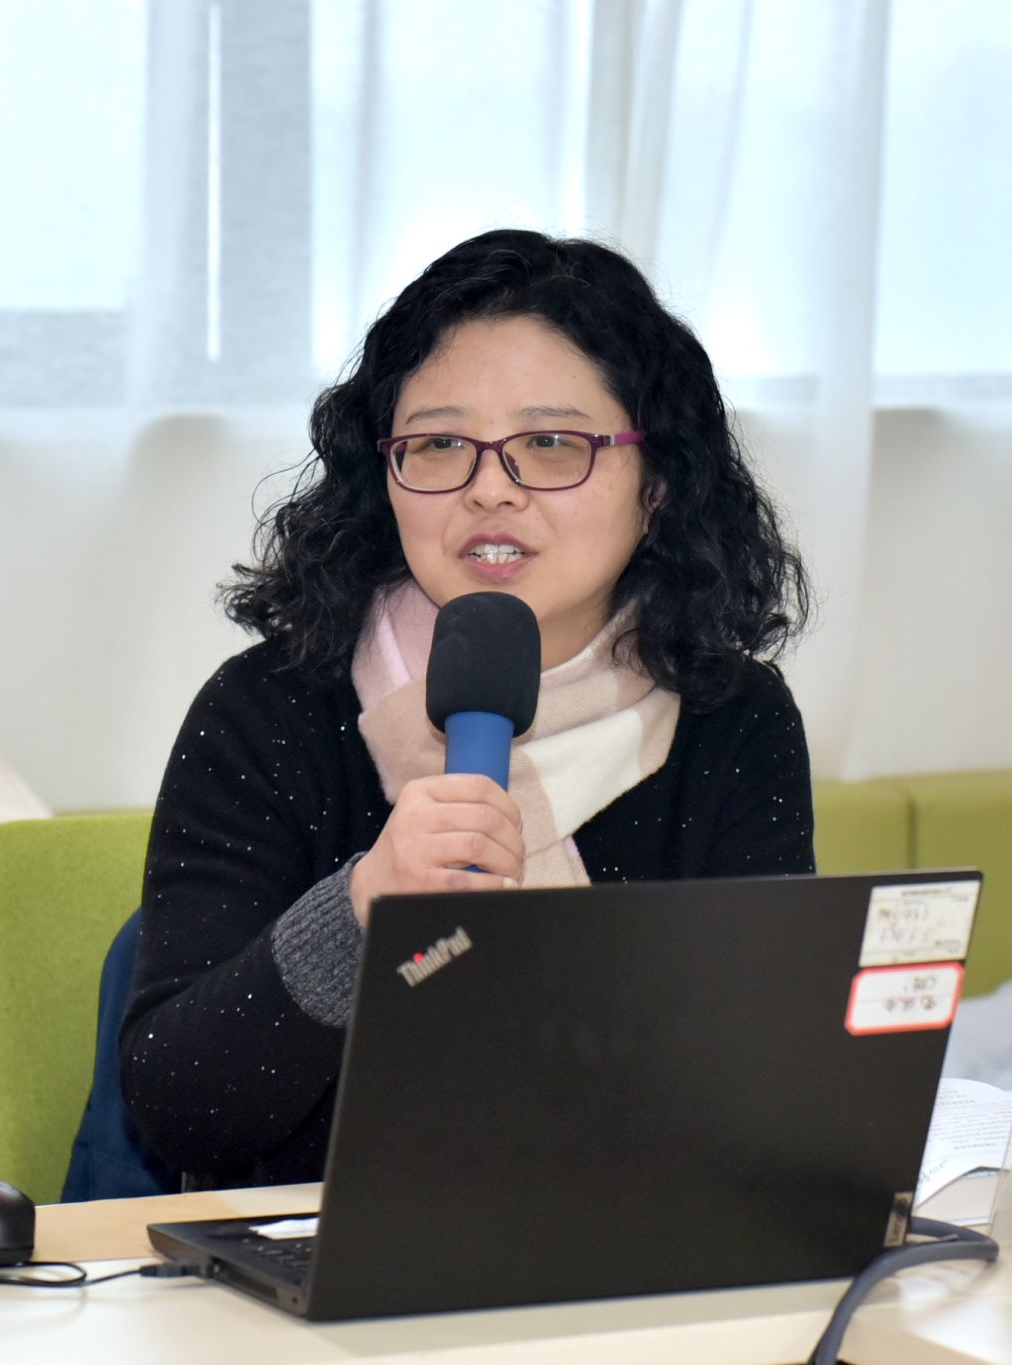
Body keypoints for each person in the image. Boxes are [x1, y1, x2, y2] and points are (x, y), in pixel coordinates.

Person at [119, 229, 814, 1189]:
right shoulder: (269, 709)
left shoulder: (730, 717)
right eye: (441, 444)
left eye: (551, 444)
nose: (491, 489)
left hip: (628, 1237)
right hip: (317, 1250)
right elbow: (180, 1112)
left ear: (656, 482)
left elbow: (770, 1072)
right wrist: (361, 909)